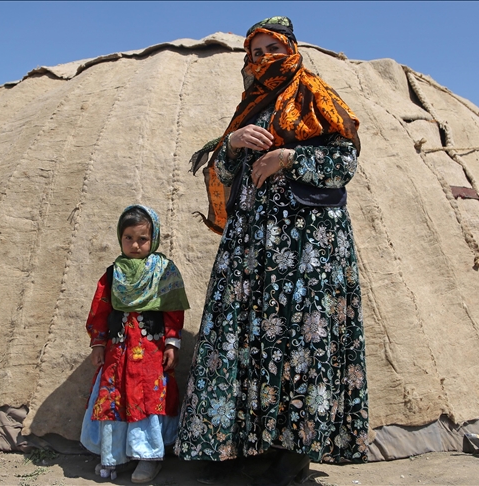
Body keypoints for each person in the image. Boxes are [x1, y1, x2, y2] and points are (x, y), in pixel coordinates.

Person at [177, 16, 368, 486]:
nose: (263, 59)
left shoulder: (315, 95)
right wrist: (234, 143)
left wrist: (290, 157)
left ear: (291, 50)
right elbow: (220, 171)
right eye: (255, 53)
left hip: (307, 250)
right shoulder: (250, 107)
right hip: (250, 252)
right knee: (245, 341)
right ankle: (240, 450)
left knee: (299, 344)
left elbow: (345, 162)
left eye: (272, 50)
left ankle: (291, 460)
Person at [79, 205, 190, 483]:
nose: (135, 245)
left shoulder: (164, 271)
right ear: (120, 237)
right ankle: (114, 455)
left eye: (142, 238)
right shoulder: (113, 273)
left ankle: (148, 458)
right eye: (128, 237)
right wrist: (99, 344)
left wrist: (172, 344)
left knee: (147, 399)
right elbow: (101, 310)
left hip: (150, 354)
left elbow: (173, 311)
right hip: (119, 351)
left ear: (153, 239)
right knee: (114, 399)